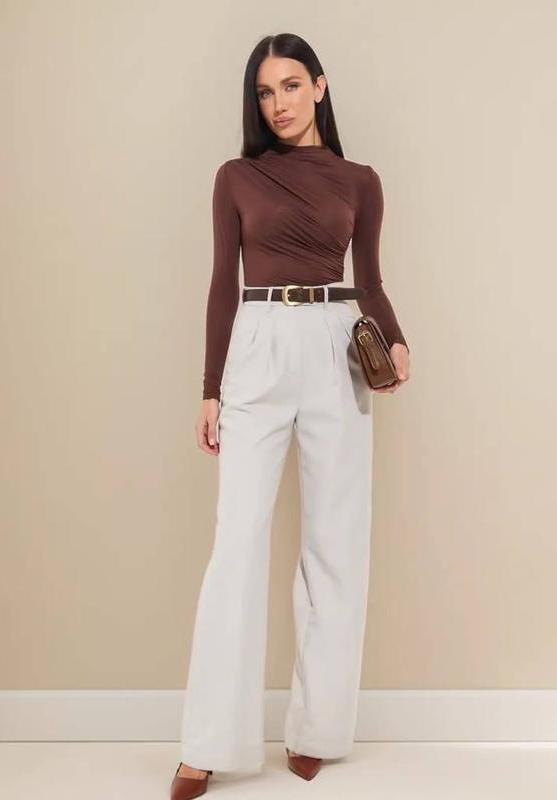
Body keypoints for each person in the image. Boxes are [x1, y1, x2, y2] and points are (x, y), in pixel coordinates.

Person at [171, 32, 411, 799]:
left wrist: (396, 340)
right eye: (265, 92)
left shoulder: (361, 182)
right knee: (237, 541)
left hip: (338, 343)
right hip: (259, 339)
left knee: (336, 540)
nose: (278, 103)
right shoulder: (236, 177)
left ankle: (317, 730)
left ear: (320, 86)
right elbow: (222, 281)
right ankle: (209, 742)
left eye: (291, 86)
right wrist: (210, 386)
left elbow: (370, 281)